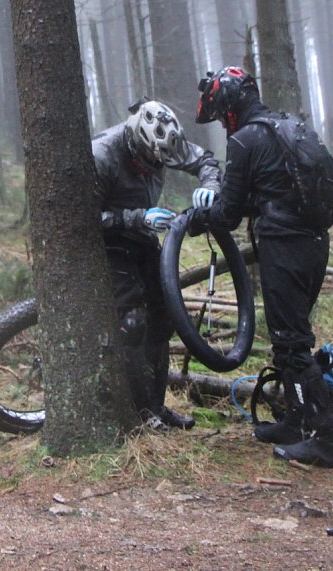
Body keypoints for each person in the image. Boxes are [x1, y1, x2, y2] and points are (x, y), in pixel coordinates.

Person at [191, 67, 333, 467]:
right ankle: (295, 421)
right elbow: (269, 194)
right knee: (287, 339)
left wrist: (200, 216)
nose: (222, 123)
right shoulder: (288, 127)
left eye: (221, 116)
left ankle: (322, 437)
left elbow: (228, 213)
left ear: (229, 107)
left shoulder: (245, 141)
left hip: (284, 246)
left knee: (292, 342)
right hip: (314, 244)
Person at [93, 97, 221, 430]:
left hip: (143, 239)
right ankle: (139, 412)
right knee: (133, 322)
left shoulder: (165, 142)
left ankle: (156, 406)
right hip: (110, 242)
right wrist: (137, 218)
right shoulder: (103, 155)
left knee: (164, 319)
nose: (156, 164)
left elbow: (204, 159)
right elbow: (83, 217)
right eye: (151, 158)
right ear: (137, 141)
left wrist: (210, 185)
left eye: (160, 159)